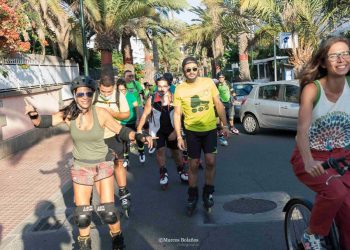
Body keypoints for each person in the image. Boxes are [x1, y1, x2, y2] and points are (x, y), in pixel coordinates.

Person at [25, 76, 153, 250]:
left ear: (93, 94)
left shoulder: (100, 113)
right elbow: (43, 122)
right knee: (82, 214)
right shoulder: (68, 114)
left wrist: (139, 136)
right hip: (81, 166)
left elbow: (121, 130)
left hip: (102, 164)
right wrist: (34, 114)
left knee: (108, 212)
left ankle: (117, 239)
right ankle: (85, 245)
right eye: (80, 94)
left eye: (89, 93)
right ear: (74, 95)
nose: (85, 97)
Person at [290, 36, 350, 250]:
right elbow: (302, 130)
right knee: (336, 192)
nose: (341, 59)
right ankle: (311, 235)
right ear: (324, 62)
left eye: (345, 53)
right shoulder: (312, 90)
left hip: (343, 154)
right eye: (334, 55)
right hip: (313, 155)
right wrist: (308, 161)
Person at [173, 56, 230, 215]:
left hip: (210, 129)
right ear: (184, 72)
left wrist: (224, 125)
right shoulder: (180, 88)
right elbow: (177, 114)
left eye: (194, 69)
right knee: (193, 164)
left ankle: (208, 192)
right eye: (188, 70)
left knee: (210, 161)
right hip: (192, 132)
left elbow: (218, 104)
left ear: (198, 69)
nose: (191, 72)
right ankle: (192, 196)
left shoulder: (208, 83)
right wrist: (178, 136)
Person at [137, 75, 188, 190]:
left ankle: (181, 170)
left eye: (164, 86)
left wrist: (177, 131)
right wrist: (139, 130)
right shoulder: (152, 99)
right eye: (159, 86)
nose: (161, 89)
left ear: (169, 86)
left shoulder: (175, 99)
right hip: (157, 130)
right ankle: (163, 172)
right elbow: (145, 115)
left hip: (172, 129)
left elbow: (181, 116)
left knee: (176, 153)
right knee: (160, 151)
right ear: (156, 86)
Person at [93, 76, 132, 217]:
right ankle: (105, 200)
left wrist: (113, 113)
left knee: (118, 163)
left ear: (114, 87)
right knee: (99, 168)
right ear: (99, 86)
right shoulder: (93, 95)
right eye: (103, 91)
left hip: (114, 134)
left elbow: (126, 114)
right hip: (97, 137)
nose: (105, 94)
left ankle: (122, 191)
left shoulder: (118, 95)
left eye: (108, 92)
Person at [117, 79, 144, 165]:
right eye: (120, 90)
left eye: (123, 89)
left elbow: (136, 108)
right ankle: (126, 158)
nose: (122, 91)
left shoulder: (131, 95)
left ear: (126, 88)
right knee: (124, 141)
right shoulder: (116, 97)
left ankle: (141, 152)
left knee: (138, 137)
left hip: (133, 121)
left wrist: (137, 119)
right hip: (122, 122)